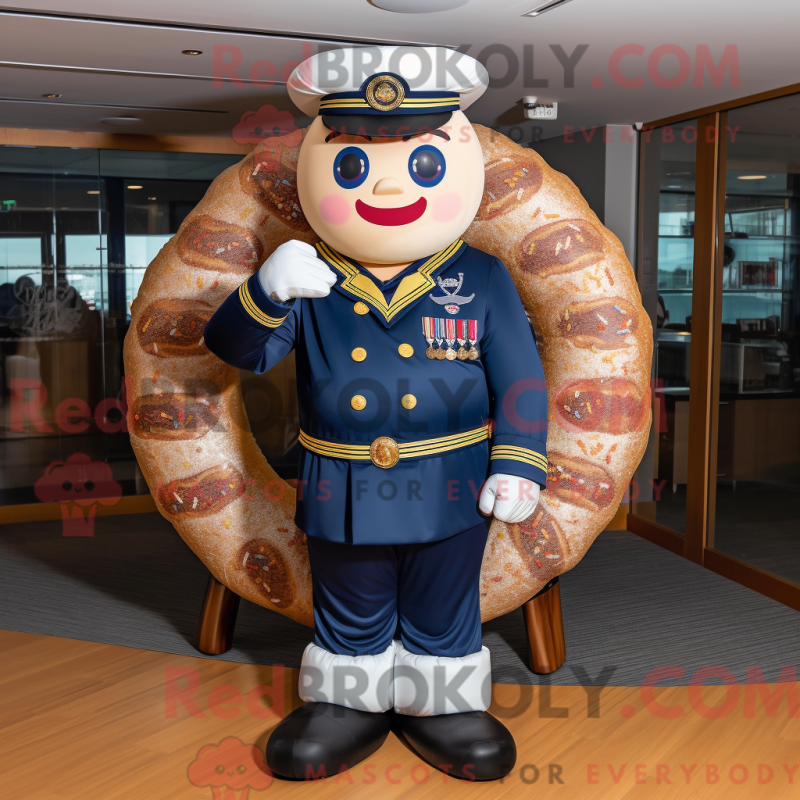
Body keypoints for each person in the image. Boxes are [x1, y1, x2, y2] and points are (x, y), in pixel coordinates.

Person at [204, 45, 549, 781]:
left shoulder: (480, 276)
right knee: (350, 596)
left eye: (422, 165)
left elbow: (521, 378)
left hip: (451, 478)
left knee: (442, 597)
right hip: (344, 480)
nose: (388, 187)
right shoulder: (311, 276)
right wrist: (264, 291)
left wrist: (520, 462)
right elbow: (236, 352)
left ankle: (443, 700)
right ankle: (347, 699)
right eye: (353, 165)